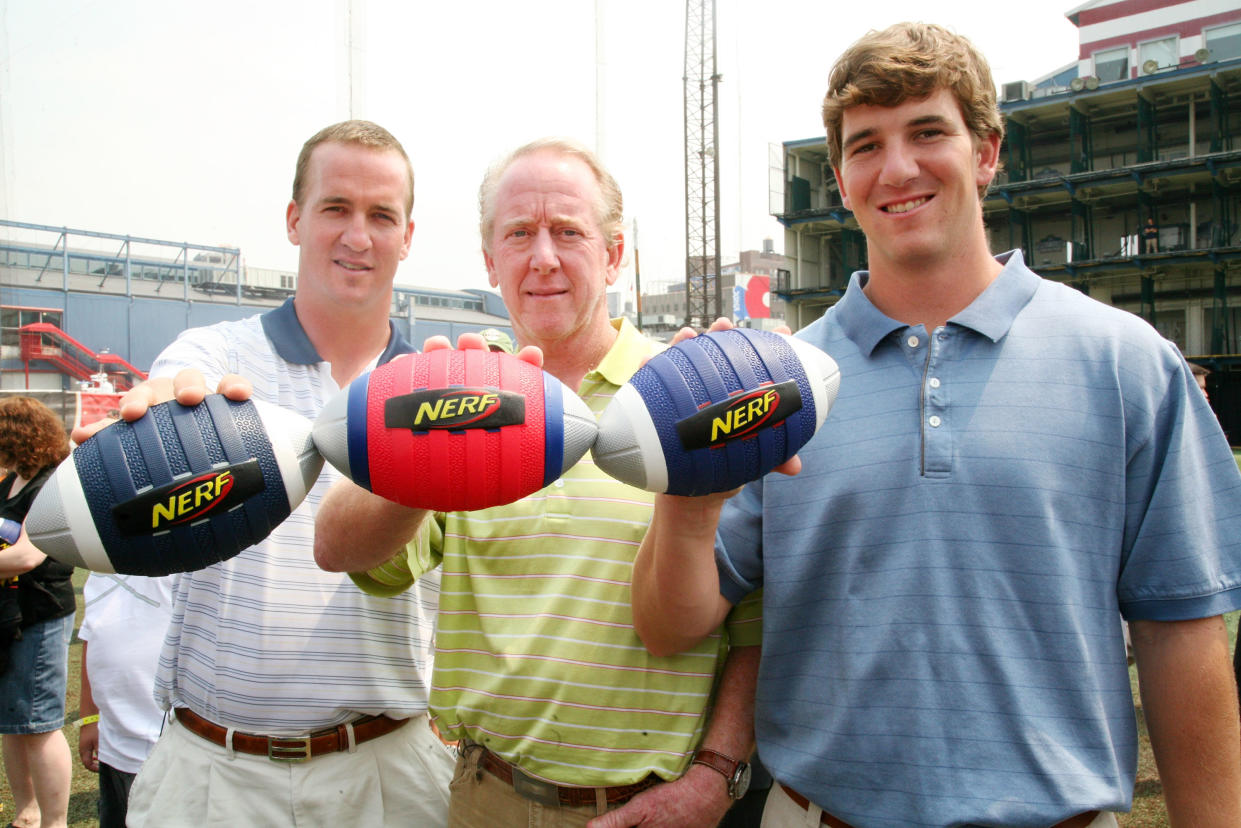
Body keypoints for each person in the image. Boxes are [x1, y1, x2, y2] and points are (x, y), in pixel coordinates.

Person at [630, 23, 1241, 828]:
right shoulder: (773, 387)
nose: (897, 169)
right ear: (842, 179)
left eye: (927, 132)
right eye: (864, 145)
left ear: (987, 152)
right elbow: (670, 626)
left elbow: (1179, 635)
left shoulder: (1123, 361)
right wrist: (687, 493)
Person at [314, 138, 762, 828]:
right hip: (485, 798)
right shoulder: (458, 392)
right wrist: (425, 451)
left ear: (613, 254)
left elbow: (755, 619)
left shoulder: (688, 391)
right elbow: (340, 549)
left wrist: (714, 776)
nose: (543, 257)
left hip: (652, 803)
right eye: (518, 234)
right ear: (491, 260)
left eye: (568, 232)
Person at [71, 120, 454, 827]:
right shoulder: (213, 356)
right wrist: (151, 420)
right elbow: (168, 394)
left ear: (407, 236)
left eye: (381, 216)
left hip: (387, 771)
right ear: (293, 220)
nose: (358, 236)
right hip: (217, 771)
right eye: (335, 208)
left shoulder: (439, 390)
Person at [0, 395, 74, 828]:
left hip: (41, 612)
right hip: (10, 616)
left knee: (39, 723)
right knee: (12, 721)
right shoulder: (11, 481)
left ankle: (54, 821)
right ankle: (27, 813)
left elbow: (29, 557)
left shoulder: (49, 483)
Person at [76, 571, 174, 828]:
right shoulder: (100, 569)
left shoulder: (181, 562)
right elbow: (91, 635)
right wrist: (89, 717)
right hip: (113, 743)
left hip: (162, 747)